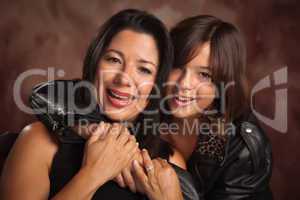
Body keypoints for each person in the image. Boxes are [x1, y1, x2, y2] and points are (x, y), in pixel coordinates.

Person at [0, 9, 198, 200]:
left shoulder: (170, 162)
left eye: (144, 69)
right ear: (94, 65)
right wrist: (93, 173)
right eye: (114, 60)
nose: (123, 79)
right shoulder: (39, 140)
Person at [159, 15, 273, 200]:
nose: (184, 84)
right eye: (177, 66)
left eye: (204, 75)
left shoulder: (242, 147)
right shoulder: (142, 110)